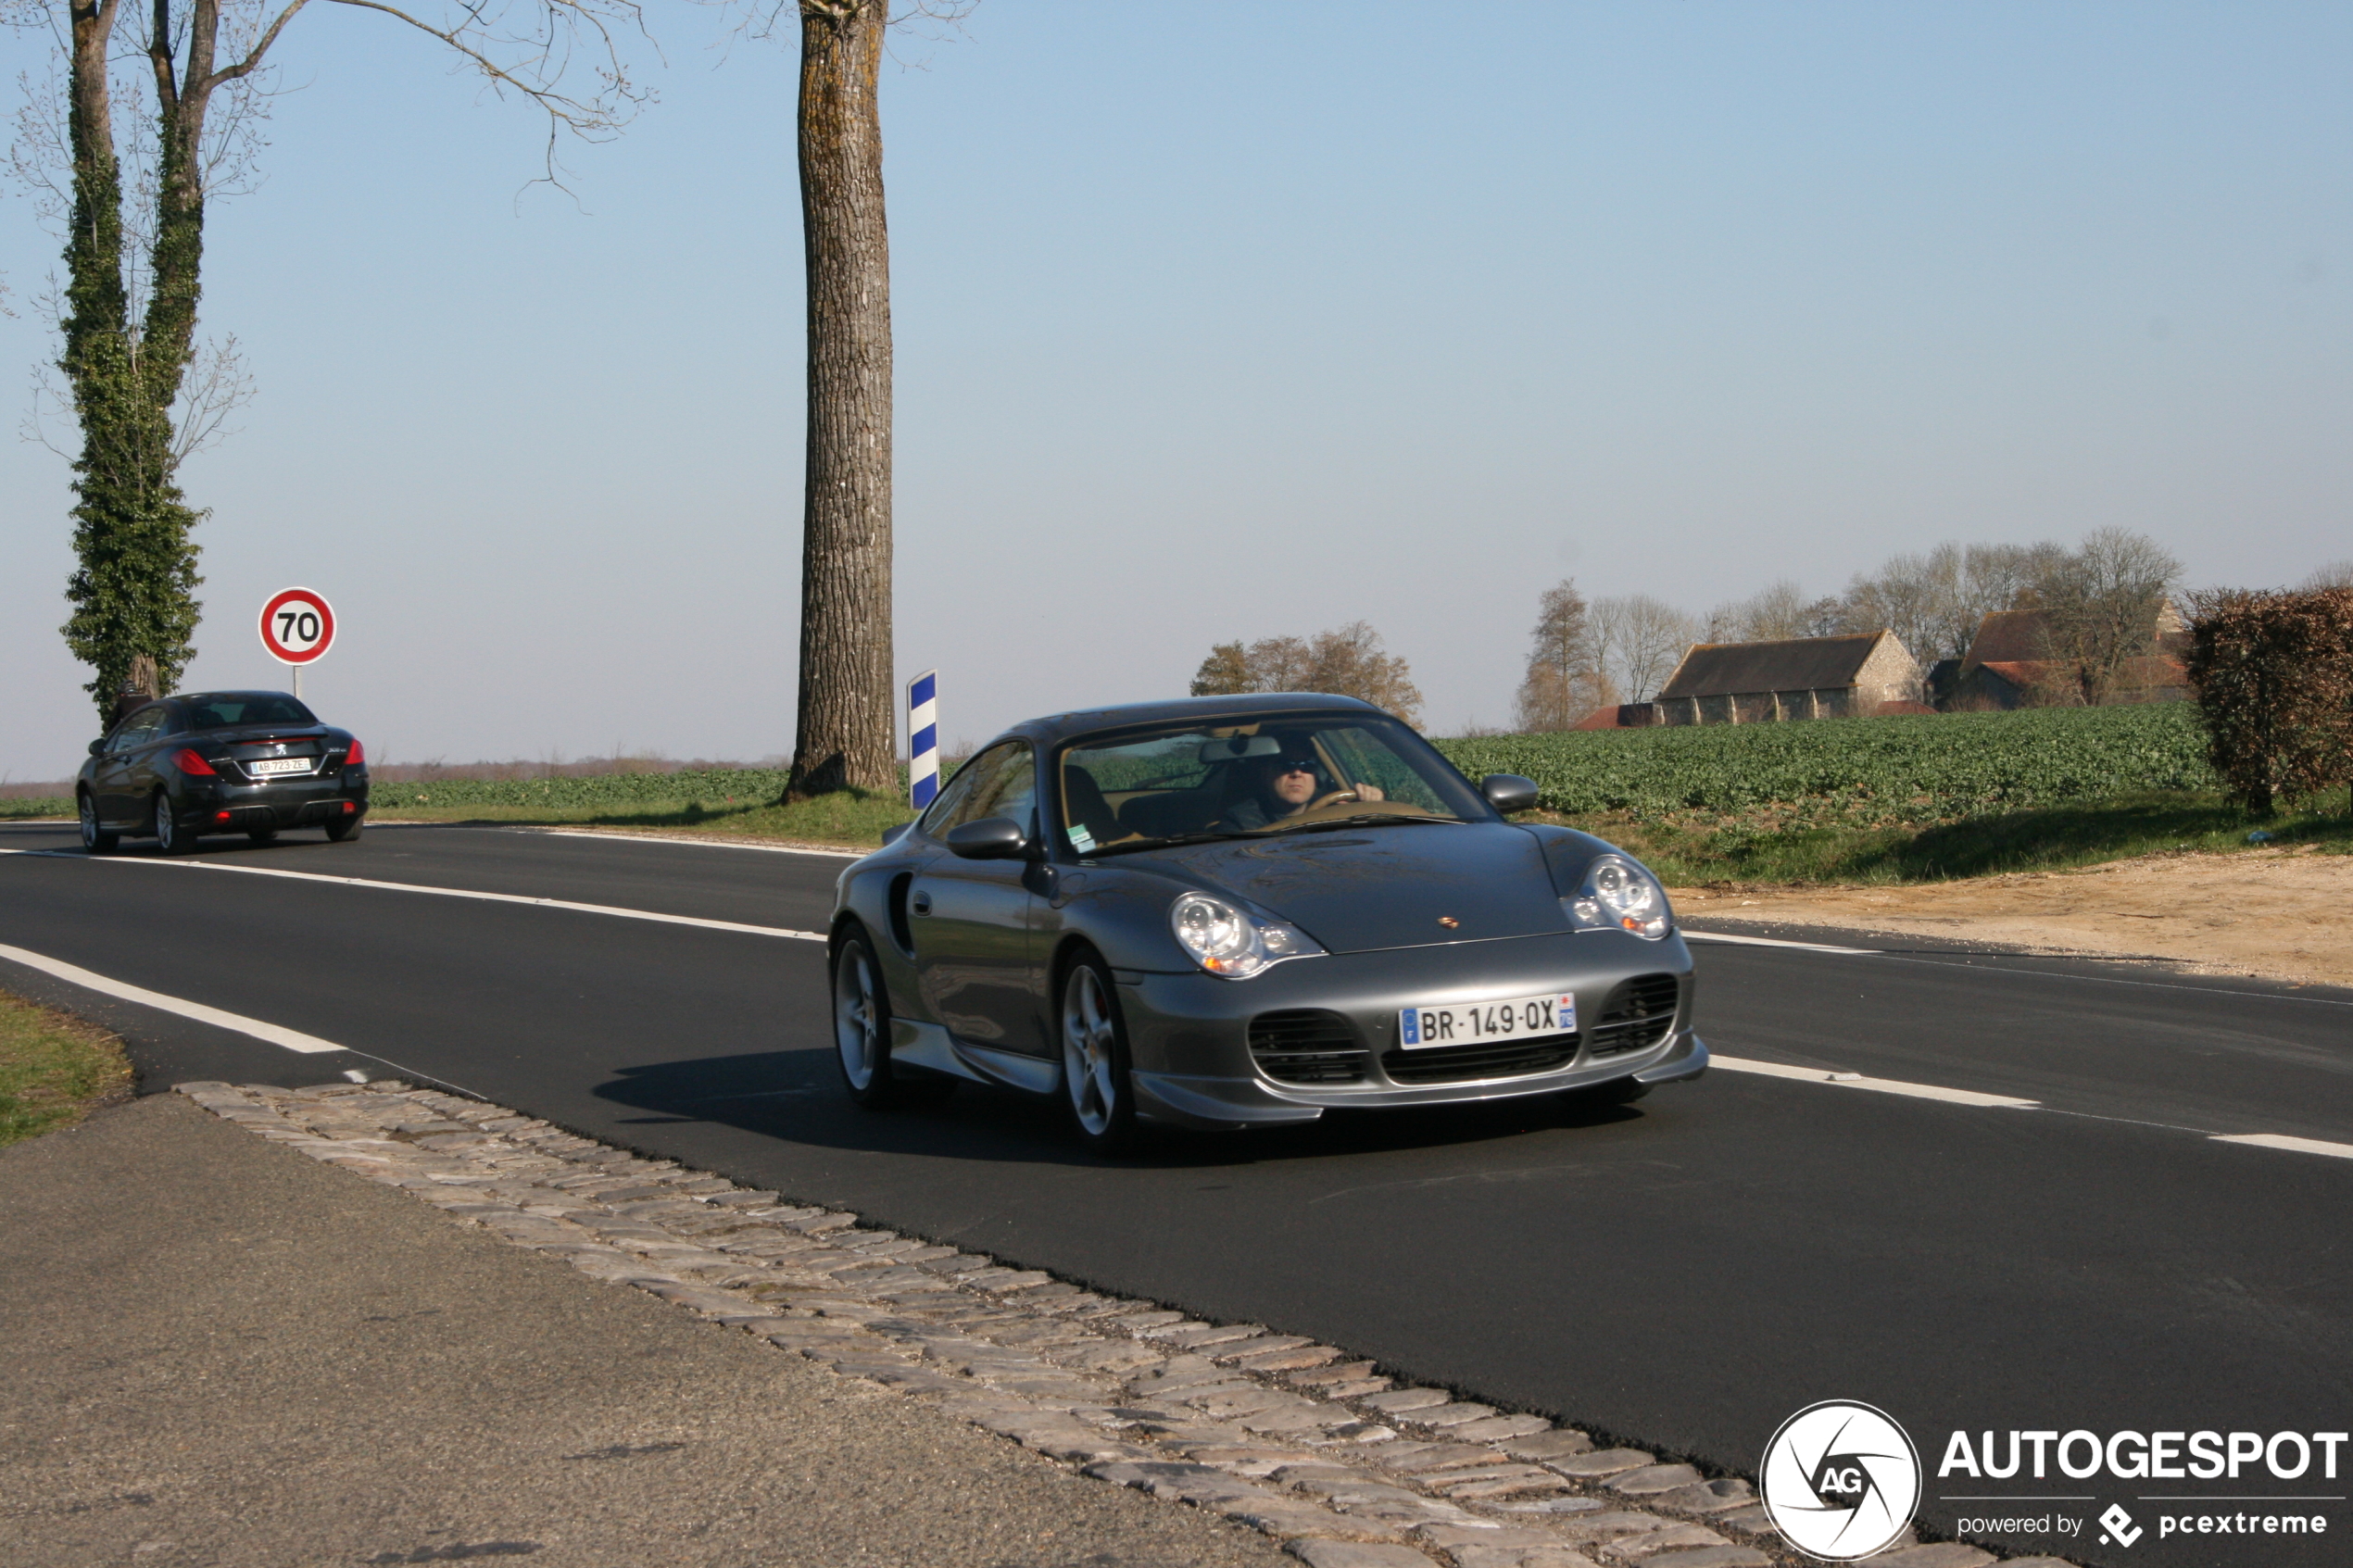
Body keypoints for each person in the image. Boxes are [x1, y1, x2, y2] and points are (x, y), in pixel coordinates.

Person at [1218, 738, 1384, 831]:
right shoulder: (1240, 823)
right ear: (1266, 774)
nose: (1297, 773)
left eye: (1307, 766)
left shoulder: (1337, 812)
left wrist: (1372, 808)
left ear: (1315, 775)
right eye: (1286, 765)